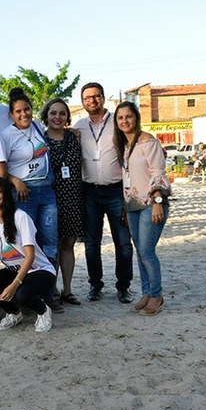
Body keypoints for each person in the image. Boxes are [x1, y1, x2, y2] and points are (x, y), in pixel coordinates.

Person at [0, 88, 61, 312]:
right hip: (23, 194)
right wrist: (15, 181)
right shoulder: (5, 136)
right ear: (11, 114)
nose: (24, 114)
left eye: (27, 109)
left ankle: (49, 293)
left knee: (50, 245)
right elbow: (0, 168)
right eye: (18, 111)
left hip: (46, 191)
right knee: (28, 246)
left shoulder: (36, 125)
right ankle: (29, 294)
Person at [73, 82, 134, 303]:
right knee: (91, 243)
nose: (92, 101)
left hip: (116, 190)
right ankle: (95, 285)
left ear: (103, 98)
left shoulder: (117, 123)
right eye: (87, 98)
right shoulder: (79, 126)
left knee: (123, 242)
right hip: (89, 191)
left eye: (96, 96)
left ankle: (123, 286)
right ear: (83, 102)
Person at [114, 102, 171, 316]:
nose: (125, 121)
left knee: (147, 251)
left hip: (151, 205)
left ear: (136, 118)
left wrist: (157, 202)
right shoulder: (127, 145)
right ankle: (147, 292)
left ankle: (156, 295)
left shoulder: (148, 142)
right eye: (120, 118)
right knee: (139, 251)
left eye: (129, 116)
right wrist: (125, 208)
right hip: (132, 207)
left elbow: (159, 173)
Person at [0, 176, 55, 333]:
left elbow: (30, 255)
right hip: (16, 270)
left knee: (20, 294)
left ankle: (43, 311)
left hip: (40, 270)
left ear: (6, 194)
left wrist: (15, 285)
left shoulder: (20, 216)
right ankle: (14, 314)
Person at [41, 98, 83, 305]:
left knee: (69, 245)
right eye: (53, 113)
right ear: (46, 116)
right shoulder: (40, 139)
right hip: (50, 199)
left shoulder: (75, 137)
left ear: (67, 117)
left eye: (62, 113)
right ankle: (53, 289)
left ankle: (67, 289)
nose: (57, 117)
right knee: (52, 246)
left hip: (73, 198)